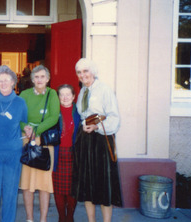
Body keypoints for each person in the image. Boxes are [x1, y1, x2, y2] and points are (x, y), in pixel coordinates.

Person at [72, 58, 122, 222]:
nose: (82, 75)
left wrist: (97, 127)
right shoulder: (83, 91)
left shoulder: (104, 90)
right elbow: (83, 115)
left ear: (93, 71)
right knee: (87, 183)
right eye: (79, 72)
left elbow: (114, 117)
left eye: (85, 71)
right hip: (85, 141)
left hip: (101, 141)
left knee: (103, 183)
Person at [0, 65, 28, 222]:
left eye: (6, 80)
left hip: (13, 154)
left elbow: (24, 124)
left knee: (10, 194)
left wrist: (29, 129)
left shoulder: (20, 102)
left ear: (13, 82)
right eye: (0, 80)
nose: (3, 83)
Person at [19, 65, 60, 222]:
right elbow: (19, 117)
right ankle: (30, 218)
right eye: (36, 77)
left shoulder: (52, 94)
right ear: (32, 79)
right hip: (27, 139)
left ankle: (43, 219)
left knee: (44, 184)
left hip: (43, 141)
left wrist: (37, 130)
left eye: (43, 77)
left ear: (48, 79)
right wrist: (26, 127)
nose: (39, 80)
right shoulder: (24, 94)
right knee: (27, 183)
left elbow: (53, 117)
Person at [52, 84, 80, 222]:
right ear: (58, 97)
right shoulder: (54, 111)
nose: (65, 97)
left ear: (74, 96)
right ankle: (62, 218)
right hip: (58, 155)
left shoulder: (79, 113)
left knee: (71, 190)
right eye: (62, 95)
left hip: (73, 155)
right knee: (59, 190)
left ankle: (70, 218)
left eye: (68, 94)